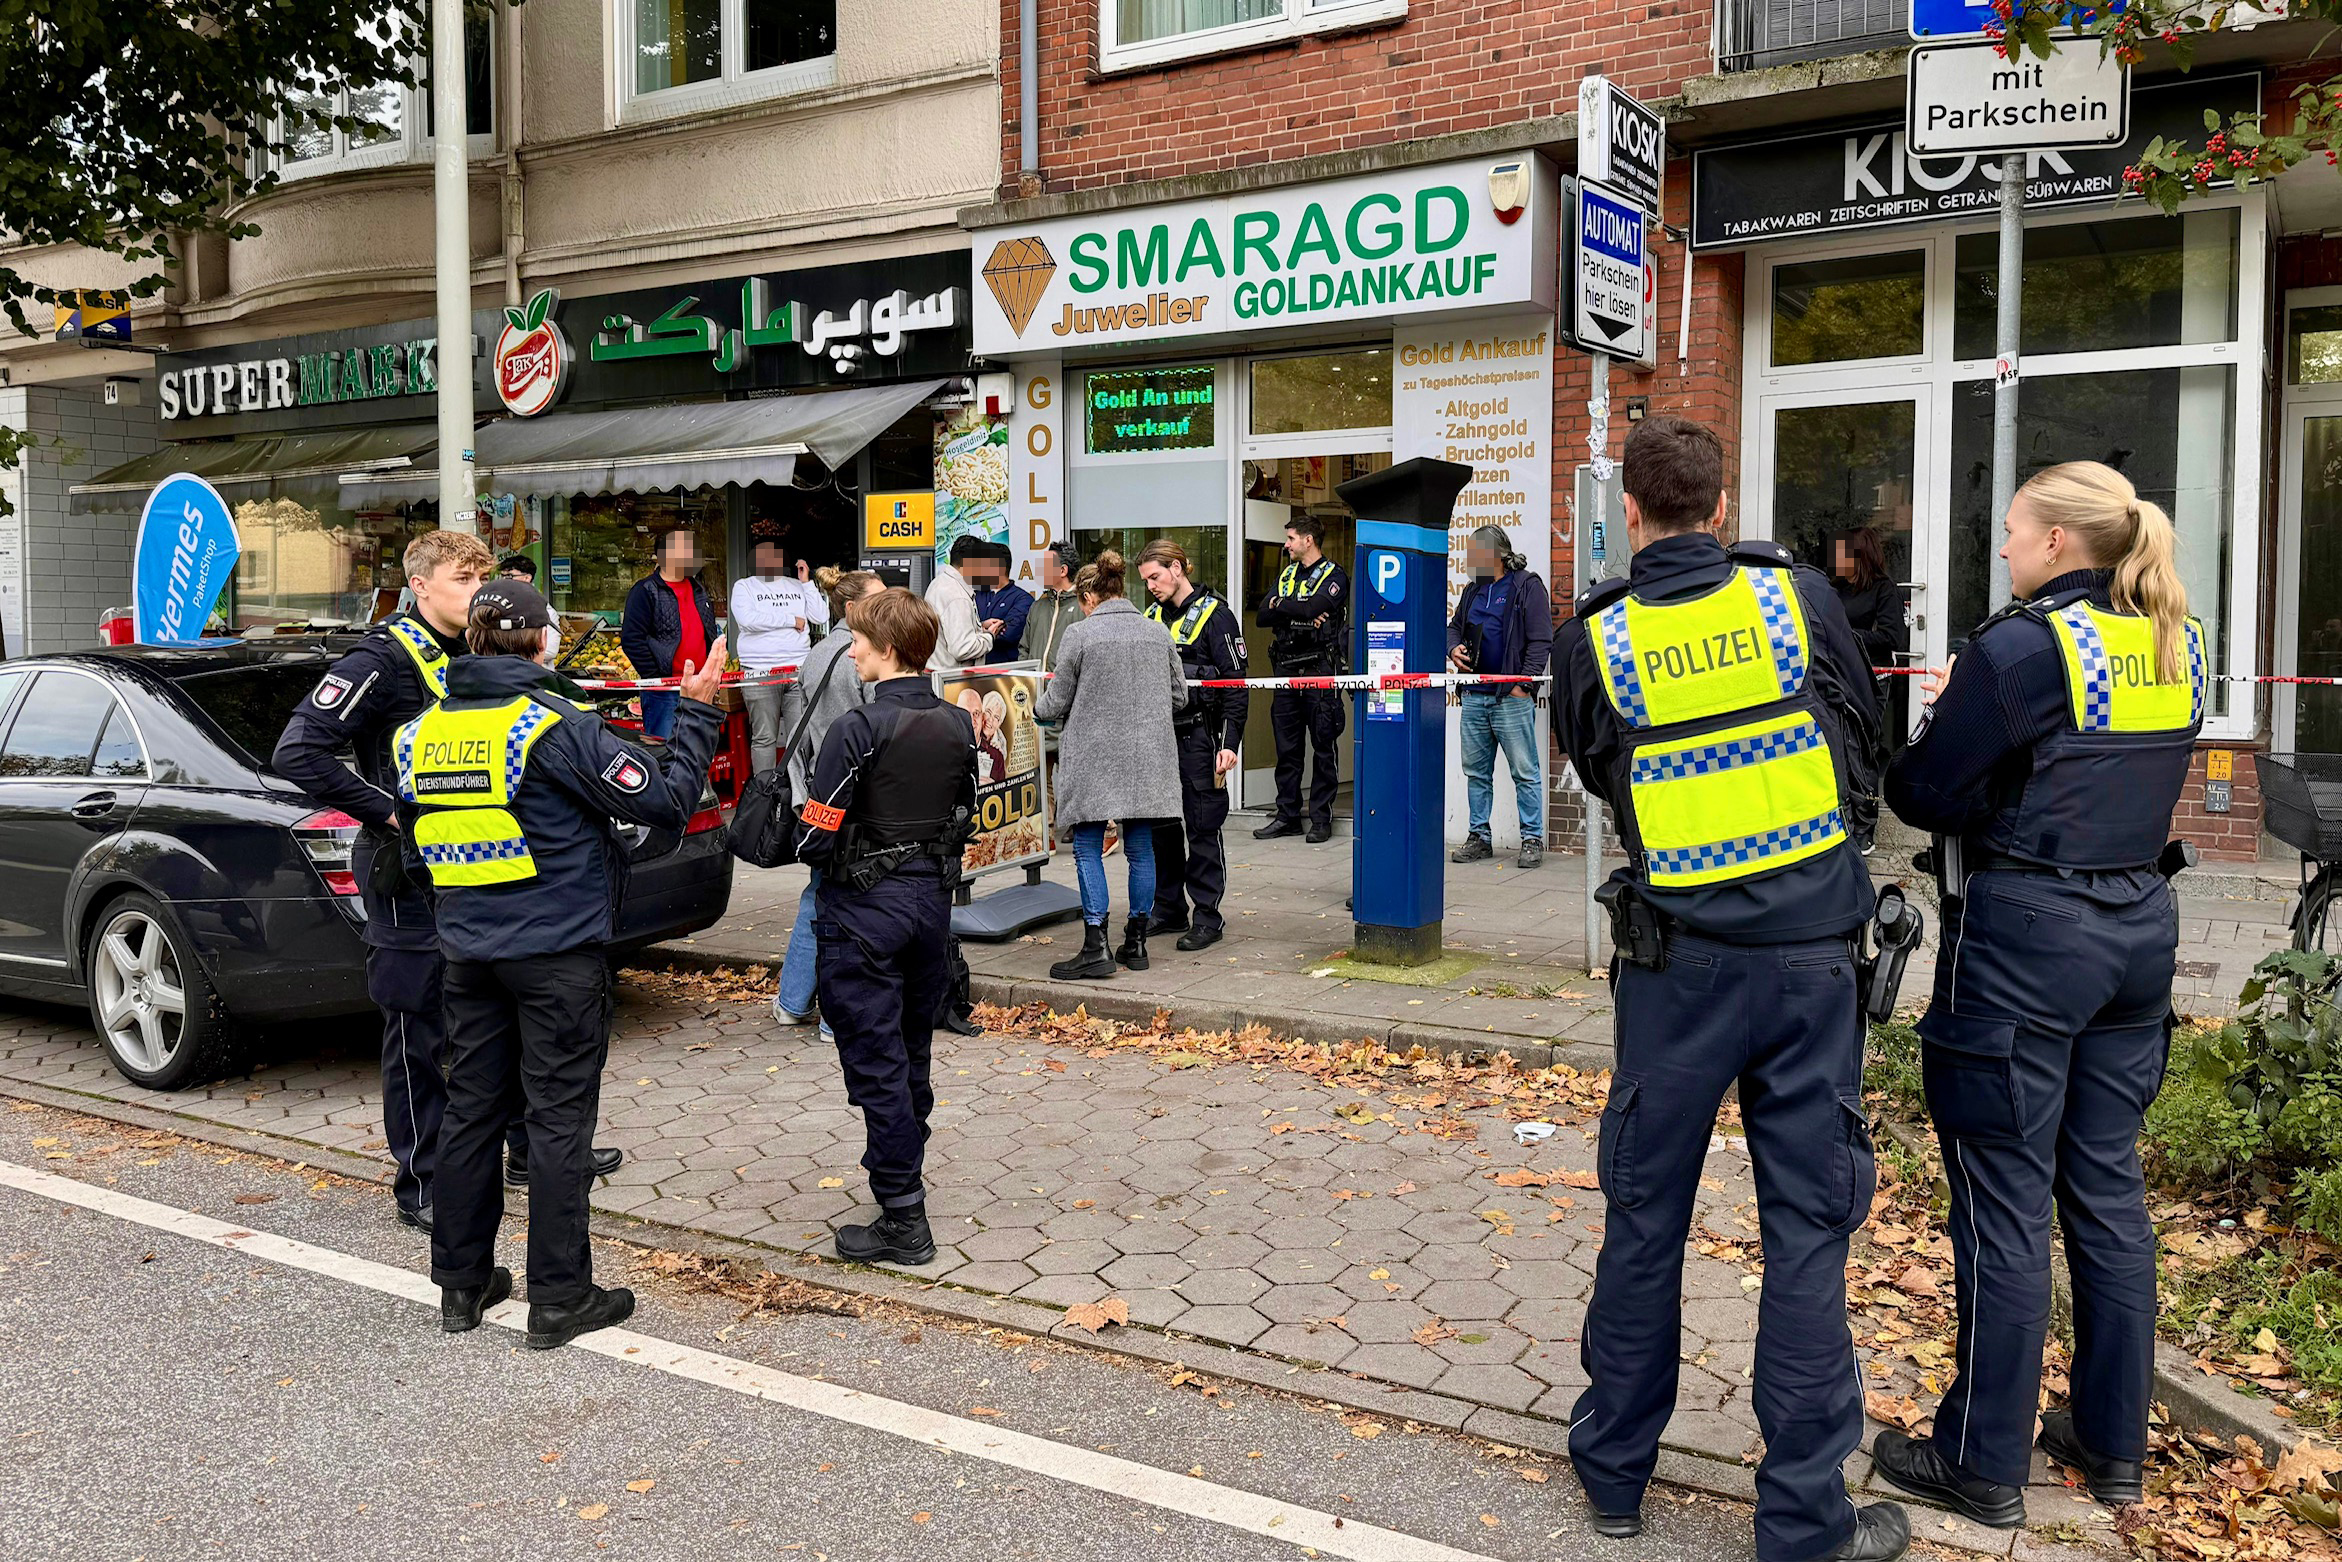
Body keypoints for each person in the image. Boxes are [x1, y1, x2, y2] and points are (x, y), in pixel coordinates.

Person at [1553, 416, 1904, 1562]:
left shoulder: (1593, 635)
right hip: (1810, 961)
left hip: (1674, 965)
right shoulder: (1793, 599)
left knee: (1644, 1213)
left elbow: (1594, 763)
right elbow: (1869, 733)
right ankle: (1804, 1520)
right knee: (1804, 1228)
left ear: (1632, 513)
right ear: (1715, 504)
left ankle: (1612, 1469)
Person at [1870, 462, 2205, 1526]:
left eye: (2011, 530)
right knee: (2104, 1192)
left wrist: (1943, 738)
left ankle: (1978, 1462)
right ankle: (2109, 1443)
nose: (2003, 546)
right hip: (2137, 932)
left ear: (2058, 541)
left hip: (2025, 941)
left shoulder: (2019, 646)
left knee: (2001, 1195)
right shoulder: (2172, 636)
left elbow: (1922, 789)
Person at [396, 580, 725, 1348]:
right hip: (555, 954)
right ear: (543, 642)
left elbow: (413, 851)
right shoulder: (552, 725)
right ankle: (559, 1297)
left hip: (469, 953)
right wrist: (701, 709)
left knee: (472, 1115)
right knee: (556, 1124)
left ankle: (462, 1286)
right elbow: (666, 800)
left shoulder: (420, 734)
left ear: (471, 641)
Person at [795, 588, 979, 1266]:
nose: (851, 651)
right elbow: (964, 814)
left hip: (864, 914)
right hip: (930, 908)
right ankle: (900, 1179)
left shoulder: (858, 728)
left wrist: (800, 836)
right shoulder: (958, 724)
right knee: (910, 1052)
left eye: (859, 641)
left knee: (876, 1062)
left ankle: (904, 1217)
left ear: (891, 648)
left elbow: (819, 831)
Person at [1036, 551, 1184, 979]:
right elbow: (1179, 697)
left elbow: (1055, 702)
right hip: (1147, 758)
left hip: (1094, 758)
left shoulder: (1080, 635)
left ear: (1088, 596)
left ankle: (1095, 946)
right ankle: (1136, 942)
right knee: (1140, 850)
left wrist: (1031, 709)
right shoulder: (1158, 632)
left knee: (1086, 847)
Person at [773, 569, 886, 1036]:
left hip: (821, 794)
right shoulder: (864, 657)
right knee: (855, 899)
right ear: (854, 609)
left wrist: (803, 797)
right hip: (857, 793)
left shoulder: (816, 654)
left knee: (819, 892)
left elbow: (797, 735)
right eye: (880, 600)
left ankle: (793, 1000)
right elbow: (879, 726)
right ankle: (837, 1019)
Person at [1138, 539, 1247, 953]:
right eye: (1146, 578)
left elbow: (1236, 687)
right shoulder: (1149, 618)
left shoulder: (1216, 617)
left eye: (1156, 576)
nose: (1150, 585)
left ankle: (1207, 916)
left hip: (1200, 737)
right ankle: (1168, 908)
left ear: (1179, 568)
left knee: (1203, 828)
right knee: (1162, 830)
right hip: (1159, 740)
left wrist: (1229, 743)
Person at [1447, 526, 1554, 870]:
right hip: (1475, 696)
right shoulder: (1473, 591)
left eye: (1473, 553)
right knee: (1476, 772)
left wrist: (1524, 686)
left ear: (1494, 554)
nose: (1468, 560)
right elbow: (1453, 627)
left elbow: (1541, 640)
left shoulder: (1526, 585)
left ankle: (1532, 839)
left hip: (1510, 697)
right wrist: (1453, 648)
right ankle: (1480, 837)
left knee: (1524, 771)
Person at [1253, 517, 1349, 845]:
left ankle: (1321, 818)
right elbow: (1264, 614)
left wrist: (1286, 606)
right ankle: (1287, 816)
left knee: (1323, 746)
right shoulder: (1287, 574)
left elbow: (1317, 609)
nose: (1286, 545)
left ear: (1308, 540)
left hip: (1319, 669)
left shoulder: (1334, 575)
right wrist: (1296, 609)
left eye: (1291, 538)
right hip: (1285, 669)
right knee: (1287, 748)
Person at [1832, 528, 1910, 853]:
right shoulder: (1834, 589)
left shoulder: (1883, 589)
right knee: (1839, 747)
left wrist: (1847, 636)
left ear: (1860, 556)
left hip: (1872, 680)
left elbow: (1893, 638)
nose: (1836, 561)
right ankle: (1843, 821)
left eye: (1842, 554)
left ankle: (1866, 828)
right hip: (1838, 677)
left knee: (1863, 749)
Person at [730, 537, 829, 775]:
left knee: (800, 736)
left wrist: (806, 583)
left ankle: (796, 795)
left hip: (797, 671)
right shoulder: (744, 586)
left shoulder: (796, 585)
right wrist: (790, 621)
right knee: (765, 738)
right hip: (759, 672)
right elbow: (747, 621)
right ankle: (765, 797)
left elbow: (821, 616)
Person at [621, 527, 722, 739]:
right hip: (666, 693)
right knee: (667, 754)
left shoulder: (698, 590)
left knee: (699, 752)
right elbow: (632, 640)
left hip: (700, 688)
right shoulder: (645, 591)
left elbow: (708, 631)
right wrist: (657, 678)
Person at [925, 534, 996, 672]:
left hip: (936, 676)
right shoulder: (957, 596)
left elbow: (948, 633)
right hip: (951, 684)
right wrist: (989, 637)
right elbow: (963, 649)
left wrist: (979, 628)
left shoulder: (938, 583)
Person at [1025, 539, 1085, 674]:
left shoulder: (1084, 607)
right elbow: (1024, 649)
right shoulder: (1037, 607)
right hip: (1036, 691)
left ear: (1063, 570)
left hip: (1066, 692)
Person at [974, 542, 1035, 664]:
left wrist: (975, 629)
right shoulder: (975, 595)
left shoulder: (1023, 599)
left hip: (1004, 675)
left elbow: (1008, 634)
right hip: (974, 673)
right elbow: (962, 630)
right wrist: (985, 627)